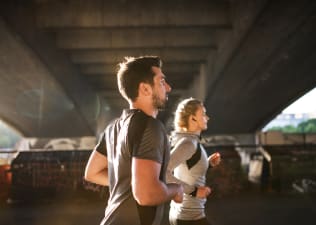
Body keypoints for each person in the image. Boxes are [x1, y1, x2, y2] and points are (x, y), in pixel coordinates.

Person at [84, 56, 183, 225]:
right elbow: (146, 195)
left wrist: (134, 181)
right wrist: (175, 189)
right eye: (161, 81)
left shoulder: (113, 128)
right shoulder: (151, 127)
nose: (168, 87)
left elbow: (91, 173)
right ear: (145, 89)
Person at [166, 98, 221, 225]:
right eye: (203, 114)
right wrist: (194, 191)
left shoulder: (192, 141)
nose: (207, 118)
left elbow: (188, 170)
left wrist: (208, 164)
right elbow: (163, 172)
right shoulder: (188, 143)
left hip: (187, 214)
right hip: (188, 216)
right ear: (193, 118)